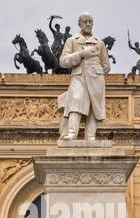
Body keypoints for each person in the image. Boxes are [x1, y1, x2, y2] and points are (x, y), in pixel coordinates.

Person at [59, 12, 110, 141]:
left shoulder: (100, 43)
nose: (88, 24)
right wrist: (81, 54)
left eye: (90, 21)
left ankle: (91, 136)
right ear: (79, 24)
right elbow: (63, 61)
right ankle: (72, 134)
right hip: (79, 76)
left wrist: (95, 71)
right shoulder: (71, 40)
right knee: (76, 100)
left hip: (96, 78)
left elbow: (106, 66)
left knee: (94, 106)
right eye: (85, 21)